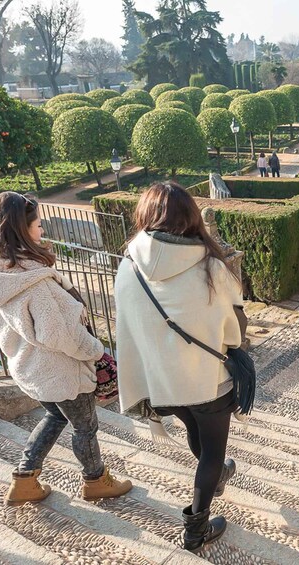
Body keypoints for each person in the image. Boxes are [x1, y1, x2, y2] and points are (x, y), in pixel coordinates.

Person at [0, 192, 132, 506]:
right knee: (85, 426)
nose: (42, 230)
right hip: (61, 369)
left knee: (55, 416)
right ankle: (95, 480)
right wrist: (97, 352)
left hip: (29, 365)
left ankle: (25, 479)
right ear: (19, 230)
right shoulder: (31, 282)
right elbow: (61, 335)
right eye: (38, 225)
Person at [115, 182, 242, 552]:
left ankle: (214, 474)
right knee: (213, 453)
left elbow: (130, 326)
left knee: (193, 426)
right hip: (207, 382)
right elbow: (232, 332)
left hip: (160, 385)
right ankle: (195, 530)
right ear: (191, 216)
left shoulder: (128, 264)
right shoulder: (209, 267)